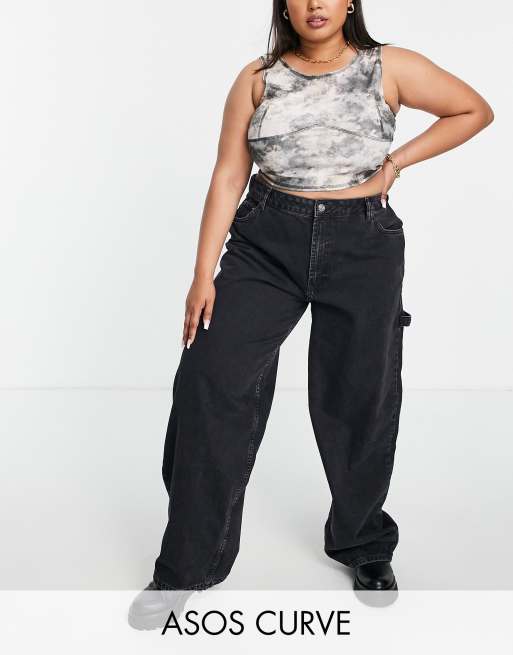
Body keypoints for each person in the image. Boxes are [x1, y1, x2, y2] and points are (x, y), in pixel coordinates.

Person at [128, 0, 494, 628]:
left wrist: (395, 165)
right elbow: (228, 174)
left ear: (350, 1)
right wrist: (202, 275)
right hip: (266, 239)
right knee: (210, 380)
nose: (315, 3)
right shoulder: (257, 78)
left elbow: (473, 110)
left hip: (363, 242)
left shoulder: (390, 65)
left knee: (360, 394)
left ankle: (363, 541)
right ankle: (185, 566)